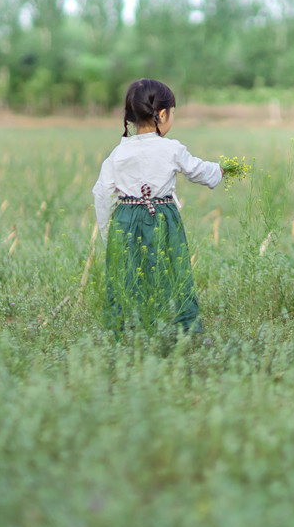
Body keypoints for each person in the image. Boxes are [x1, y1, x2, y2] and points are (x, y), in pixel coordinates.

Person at [92, 78, 222, 337]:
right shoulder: (171, 148)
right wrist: (220, 170)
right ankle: (184, 327)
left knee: (127, 273)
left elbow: (102, 193)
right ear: (162, 114)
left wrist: (109, 234)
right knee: (172, 268)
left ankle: (124, 328)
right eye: (172, 112)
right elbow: (198, 171)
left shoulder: (117, 153)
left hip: (125, 218)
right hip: (162, 217)